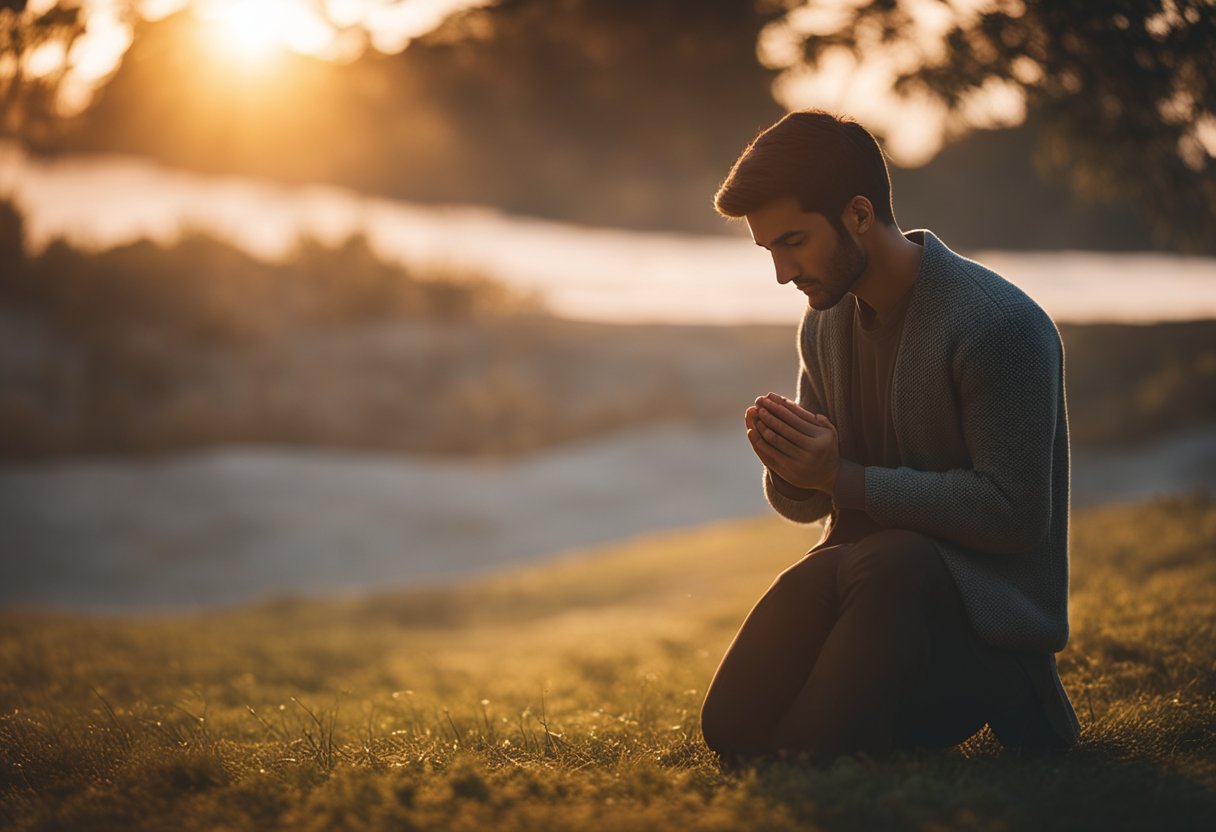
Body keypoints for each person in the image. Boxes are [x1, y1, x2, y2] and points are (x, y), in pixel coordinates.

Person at [699, 110, 1080, 766]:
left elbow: (1016, 516)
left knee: (890, 564)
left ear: (856, 214)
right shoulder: (824, 323)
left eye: (793, 241)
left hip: (980, 631)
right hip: (869, 591)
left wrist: (841, 477)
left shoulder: (999, 328)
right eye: (769, 251)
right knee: (729, 729)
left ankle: (1017, 698)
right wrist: (792, 464)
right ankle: (831, 723)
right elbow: (811, 506)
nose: (783, 273)